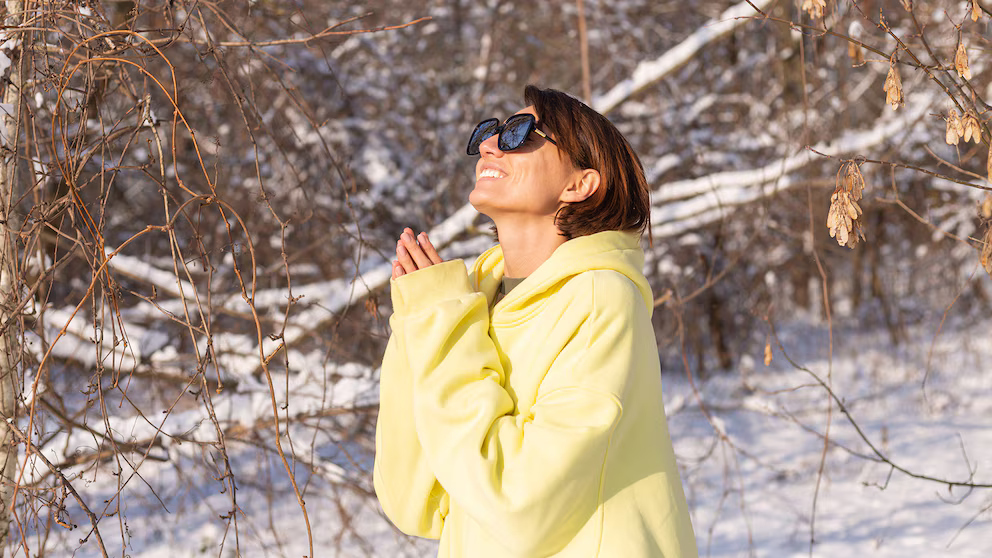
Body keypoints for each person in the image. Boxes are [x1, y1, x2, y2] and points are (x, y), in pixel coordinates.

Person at [373, 85, 698, 557]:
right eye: (489, 132)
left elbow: (517, 502)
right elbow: (415, 501)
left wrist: (441, 326)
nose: (489, 145)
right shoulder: (465, 303)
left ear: (580, 183)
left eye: (519, 133)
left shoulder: (600, 298)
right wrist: (421, 323)